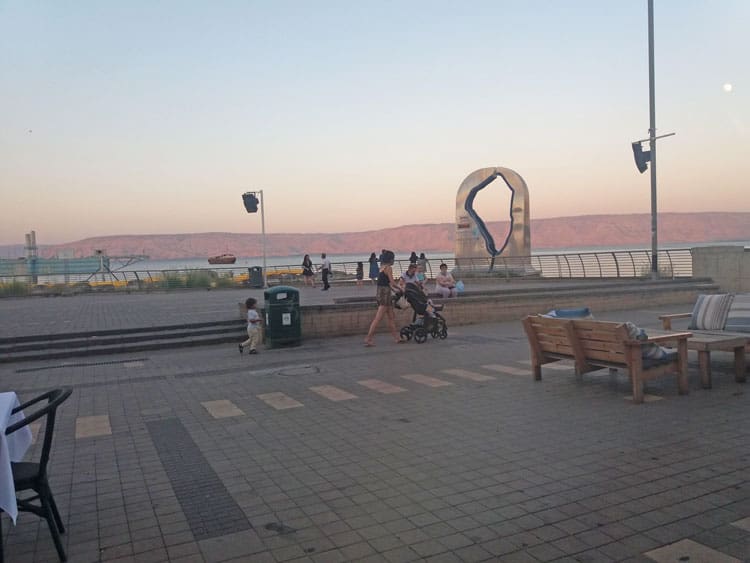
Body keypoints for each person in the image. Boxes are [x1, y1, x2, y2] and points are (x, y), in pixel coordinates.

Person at [364, 250, 405, 347]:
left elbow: (386, 283)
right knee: (378, 318)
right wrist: (401, 288)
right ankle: (368, 338)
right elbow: (392, 282)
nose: (394, 260)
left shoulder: (382, 267)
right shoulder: (388, 268)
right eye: (393, 259)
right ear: (390, 259)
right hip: (385, 295)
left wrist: (395, 291)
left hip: (382, 293)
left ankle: (397, 338)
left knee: (391, 317)